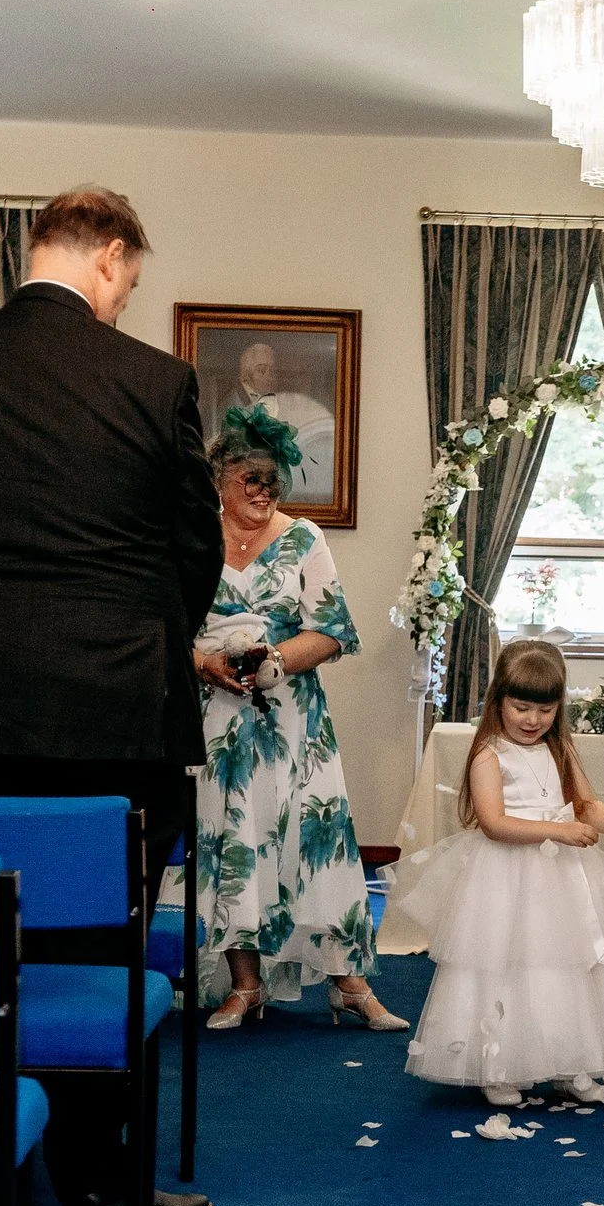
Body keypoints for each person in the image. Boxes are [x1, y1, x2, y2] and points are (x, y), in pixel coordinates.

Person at [0, 185, 220, 1206]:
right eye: (130, 280)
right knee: (95, 942)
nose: (123, 299)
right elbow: (192, 549)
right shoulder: (155, 381)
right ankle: (89, 1184)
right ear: (110, 257)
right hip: (108, 711)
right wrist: (140, 633)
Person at [191, 405, 398, 1031]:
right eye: (249, 478)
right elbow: (162, 624)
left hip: (292, 718)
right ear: (219, 479)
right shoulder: (191, 536)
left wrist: (275, 660)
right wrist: (203, 664)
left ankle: (349, 983)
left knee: (315, 840)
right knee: (234, 841)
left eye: (272, 479)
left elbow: (333, 631)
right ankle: (244, 985)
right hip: (218, 718)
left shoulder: (305, 538)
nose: (262, 490)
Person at [390, 639, 604, 1108]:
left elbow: (584, 804)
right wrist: (557, 834)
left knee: (567, 967)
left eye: (545, 709)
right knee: (509, 965)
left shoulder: (559, 751)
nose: (532, 720)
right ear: (498, 701)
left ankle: (569, 1063)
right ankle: (499, 1064)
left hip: (562, 882)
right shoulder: (488, 755)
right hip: (506, 877)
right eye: (521, 708)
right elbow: (494, 823)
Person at [220, 340, 333, 505]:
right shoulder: (232, 407)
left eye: (272, 370)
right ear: (245, 375)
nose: (269, 376)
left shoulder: (286, 404)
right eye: (261, 370)